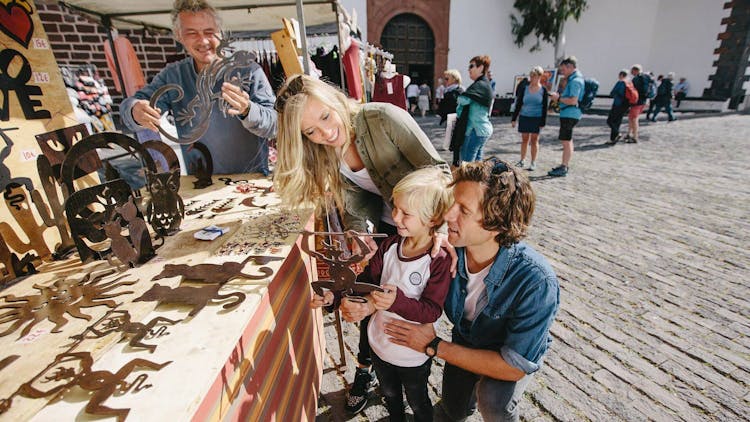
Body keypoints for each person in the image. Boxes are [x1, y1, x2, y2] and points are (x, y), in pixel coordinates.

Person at [274, 74, 451, 414]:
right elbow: (354, 202)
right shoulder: (323, 153)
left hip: (423, 223)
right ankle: (367, 369)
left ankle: (443, 374)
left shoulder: (382, 117)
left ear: (334, 100)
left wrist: (439, 226)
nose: (324, 133)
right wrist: (361, 234)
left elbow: (439, 170)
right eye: (310, 131)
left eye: (325, 117)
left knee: (431, 297)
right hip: (389, 226)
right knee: (374, 294)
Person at [383, 158, 560, 421]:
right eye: (451, 203)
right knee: (453, 408)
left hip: (506, 354)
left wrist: (433, 346)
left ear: (497, 223)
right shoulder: (447, 252)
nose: (448, 215)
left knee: (493, 401)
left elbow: (514, 366)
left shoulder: (536, 281)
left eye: (463, 210)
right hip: (466, 339)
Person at [338, 167, 453, 421]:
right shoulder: (390, 245)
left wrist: (396, 301)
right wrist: (338, 297)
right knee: (390, 395)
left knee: (418, 400)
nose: (395, 217)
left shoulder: (438, 260)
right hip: (378, 345)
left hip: (412, 355)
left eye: (406, 213)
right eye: (395, 208)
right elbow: (367, 281)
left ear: (433, 219)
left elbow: (432, 310)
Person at [120, 0, 277, 175]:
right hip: (200, 184)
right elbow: (130, 108)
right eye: (192, 33)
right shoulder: (173, 76)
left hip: (250, 180)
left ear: (221, 33)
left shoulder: (249, 71)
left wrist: (249, 110)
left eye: (209, 32)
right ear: (179, 36)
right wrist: (135, 111)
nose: (203, 41)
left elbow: (275, 124)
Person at [452, 55, 494, 166]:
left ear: (481, 68)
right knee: (477, 164)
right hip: (481, 130)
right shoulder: (483, 84)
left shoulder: (480, 85)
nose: (469, 69)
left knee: (467, 165)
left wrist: (458, 95)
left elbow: (463, 100)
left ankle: (468, 182)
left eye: (472, 66)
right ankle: (477, 182)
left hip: (475, 130)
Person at [548, 56, 584, 177]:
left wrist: (558, 98)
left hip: (570, 113)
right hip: (569, 113)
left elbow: (573, 100)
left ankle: (564, 166)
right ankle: (564, 164)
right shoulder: (574, 79)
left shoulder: (575, 81)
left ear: (570, 67)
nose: (562, 72)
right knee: (567, 140)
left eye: (563, 69)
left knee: (566, 141)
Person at [511, 66, 549, 171]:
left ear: (540, 77)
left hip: (536, 118)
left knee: (534, 140)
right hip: (525, 116)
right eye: (531, 76)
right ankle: (522, 160)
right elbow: (519, 104)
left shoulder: (543, 90)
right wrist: (514, 118)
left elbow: (545, 107)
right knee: (524, 139)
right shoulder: (525, 89)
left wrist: (543, 122)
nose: (532, 78)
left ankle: (533, 162)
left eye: (535, 76)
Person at [606, 70, 631, 144]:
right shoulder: (629, 83)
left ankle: (617, 133)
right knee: (617, 122)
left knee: (610, 121)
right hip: (625, 105)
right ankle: (613, 139)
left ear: (621, 75)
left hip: (617, 104)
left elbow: (613, 92)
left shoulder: (620, 82)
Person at [626, 64, 649, 144]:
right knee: (631, 117)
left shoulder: (638, 78)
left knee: (634, 118)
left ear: (635, 70)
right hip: (642, 101)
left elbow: (635, 90)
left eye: (632, 70)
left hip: (637, 101)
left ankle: (635, 136)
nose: (631, 72)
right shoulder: (645, 77)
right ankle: (629, 133)